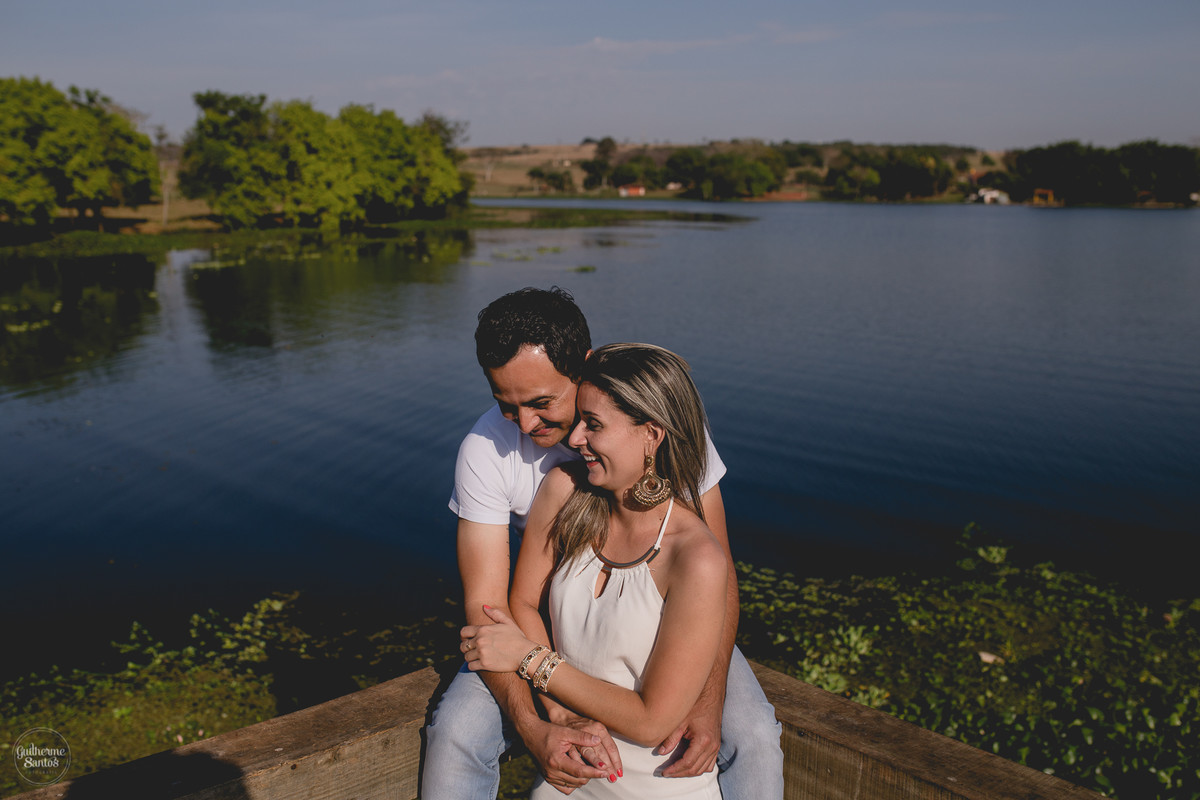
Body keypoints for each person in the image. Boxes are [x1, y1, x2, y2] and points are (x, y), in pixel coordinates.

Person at [421, 288, 782, 798]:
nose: (527, 426)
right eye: (507, 406)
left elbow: (716, 572)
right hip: (543, 620)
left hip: (651, 614)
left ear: (584, 369)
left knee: (755, 737)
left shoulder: (661, 420)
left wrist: (708, 698)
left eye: (542, 403)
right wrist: (544, 720)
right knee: (456, 733)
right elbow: (490, 606)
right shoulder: (485, 451)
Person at [463, 343, 737, 798]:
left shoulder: (695, 558)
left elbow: (652, 722)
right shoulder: (562, 492)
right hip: (566, 777)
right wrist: (559, 714)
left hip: (655, 785)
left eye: (593, 425)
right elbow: (524, 603)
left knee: (758, 739)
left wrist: (529, 659)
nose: (573, 440)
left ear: (651, 435)